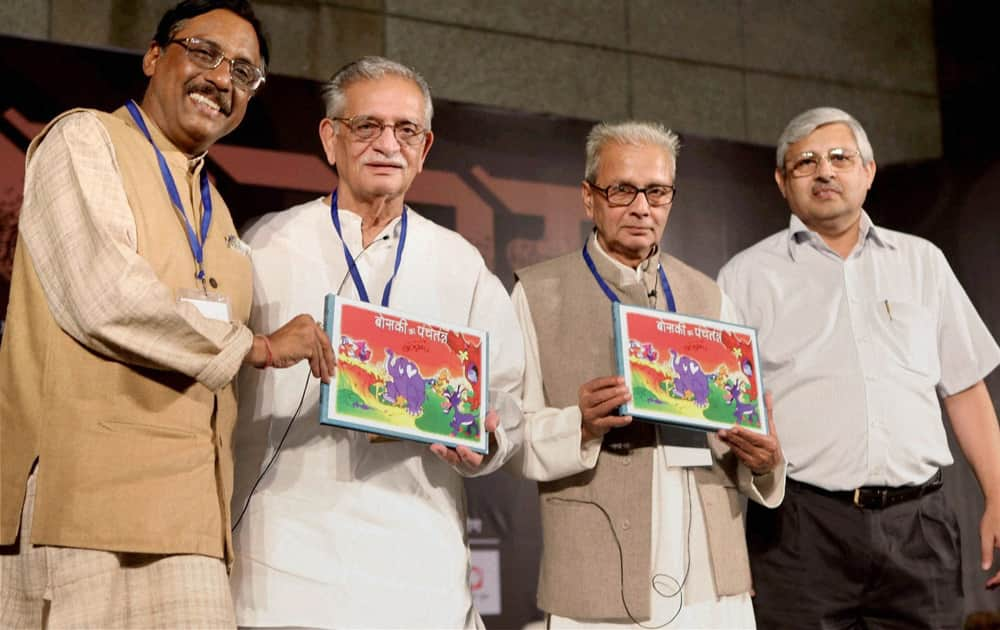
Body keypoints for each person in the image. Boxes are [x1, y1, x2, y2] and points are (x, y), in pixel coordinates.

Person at [0, 1, 334, 627]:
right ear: (155, 56)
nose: (221, 78)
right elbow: (106, 297)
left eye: (244, 70)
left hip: (193, 518)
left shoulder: (220, 212)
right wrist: (256, 348)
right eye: (204, 52)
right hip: (84, 507)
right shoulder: (85, 139)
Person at [229, 56, 525, 629]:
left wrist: (487, 442)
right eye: (367, 126)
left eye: (405, 129)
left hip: (419, 562)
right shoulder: (265, 243)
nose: (387, 143)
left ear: (425, 146)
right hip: (284, 559)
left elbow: (507, 399)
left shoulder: (459, 262)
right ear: (330, 137)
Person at [718, 106, 1000, 628]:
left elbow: (965, 389)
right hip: (797, 530)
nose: (824, 171)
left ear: (868, 172)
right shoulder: (745, 278)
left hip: (921, 527)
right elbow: (727, 419)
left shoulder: (922, 262)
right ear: (782, 182)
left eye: (840, 157)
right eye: (805, 162)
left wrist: (998, 495)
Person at [511, 120, 785, 628]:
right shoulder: (537, 293)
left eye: (656, 191)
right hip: (596, 575)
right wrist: (581, 424)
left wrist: (765, 460)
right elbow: (509, 435)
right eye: (622, 190)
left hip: (712, 575)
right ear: (589, 198)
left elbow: (738, 441)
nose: (642, 207)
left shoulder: (709, 296)